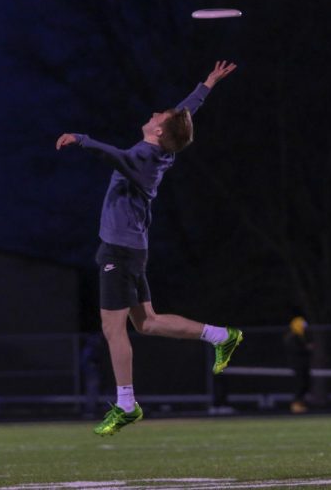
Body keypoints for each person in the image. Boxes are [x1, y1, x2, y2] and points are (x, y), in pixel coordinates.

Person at [56, 61, 243, 436]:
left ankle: (127, 404)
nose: (157, 110)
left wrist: (82, 139)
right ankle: (221, 336)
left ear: (158, 128)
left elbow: (118, 157)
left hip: (120, 251)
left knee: (113, 329)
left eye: (161, 114)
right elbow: (182, 115)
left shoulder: (142, 158)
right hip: (132, 248)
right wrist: (206, 84)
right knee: (148, 322)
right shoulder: (164, 149)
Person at [284, 316, 313, 414]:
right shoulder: (292, 337)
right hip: (297, 365)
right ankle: (296, 405)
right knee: (299, 384)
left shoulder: (301, 336)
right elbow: (295, 351)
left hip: (303, 365)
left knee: (305, 384)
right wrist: (306, 348)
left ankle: (300, 404)